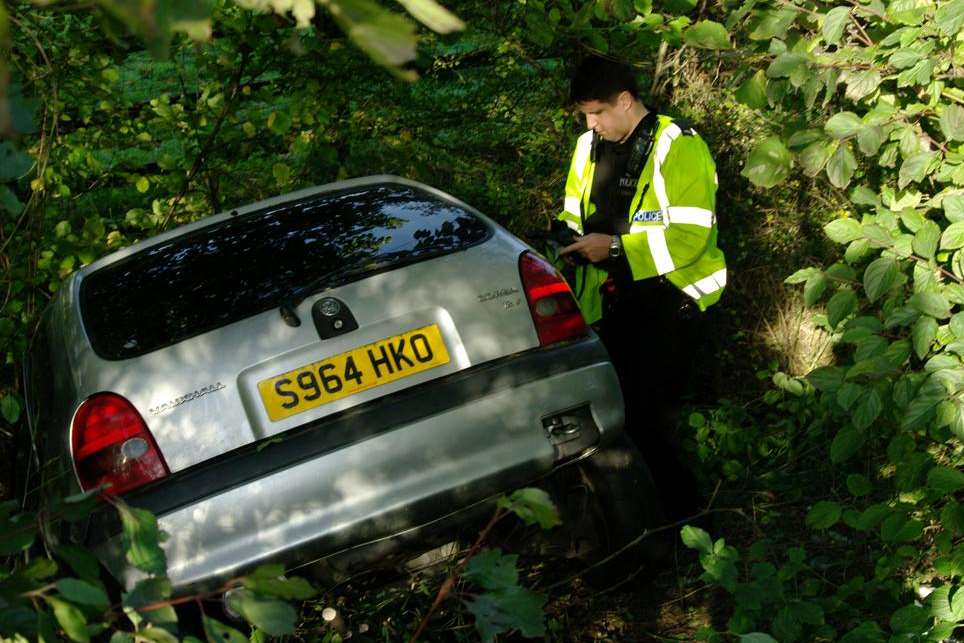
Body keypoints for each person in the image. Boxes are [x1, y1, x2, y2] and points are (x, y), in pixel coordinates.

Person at [557, 55, 726, 519]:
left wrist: (612, 250)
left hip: (674, 302)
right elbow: (574, 216)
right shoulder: (587, 145)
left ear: (626, 101)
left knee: (650, 421)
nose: (591, 124)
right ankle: (649, 524)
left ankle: (689, 526)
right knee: (622, 419)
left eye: (598, 112)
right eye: (585, 115)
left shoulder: (678, 145)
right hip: (614, 306)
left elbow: (690, 238)